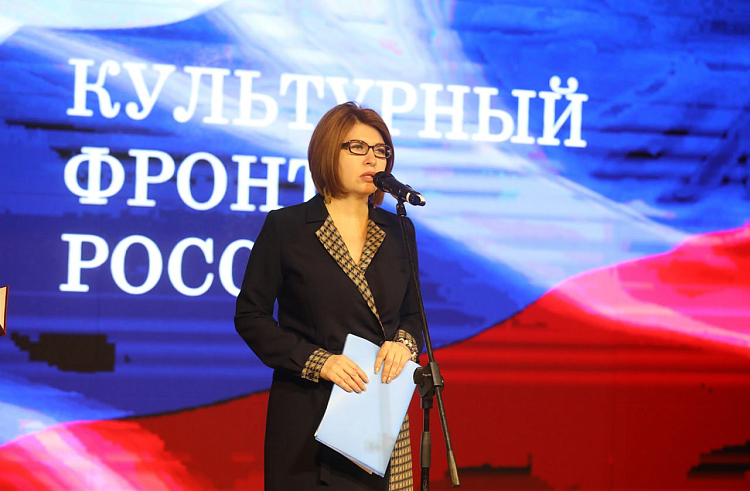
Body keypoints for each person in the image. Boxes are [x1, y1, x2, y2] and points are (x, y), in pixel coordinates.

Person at [235, 101, 424, 491]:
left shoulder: (399, 230)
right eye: (357, 147)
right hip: (309, 414)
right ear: (327, 152)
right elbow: (251, 316)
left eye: (381, 150)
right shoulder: (287, 227)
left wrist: (404, 345)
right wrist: (318, 361)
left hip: (376, 416)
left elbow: (412, 315)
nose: (372, 159)